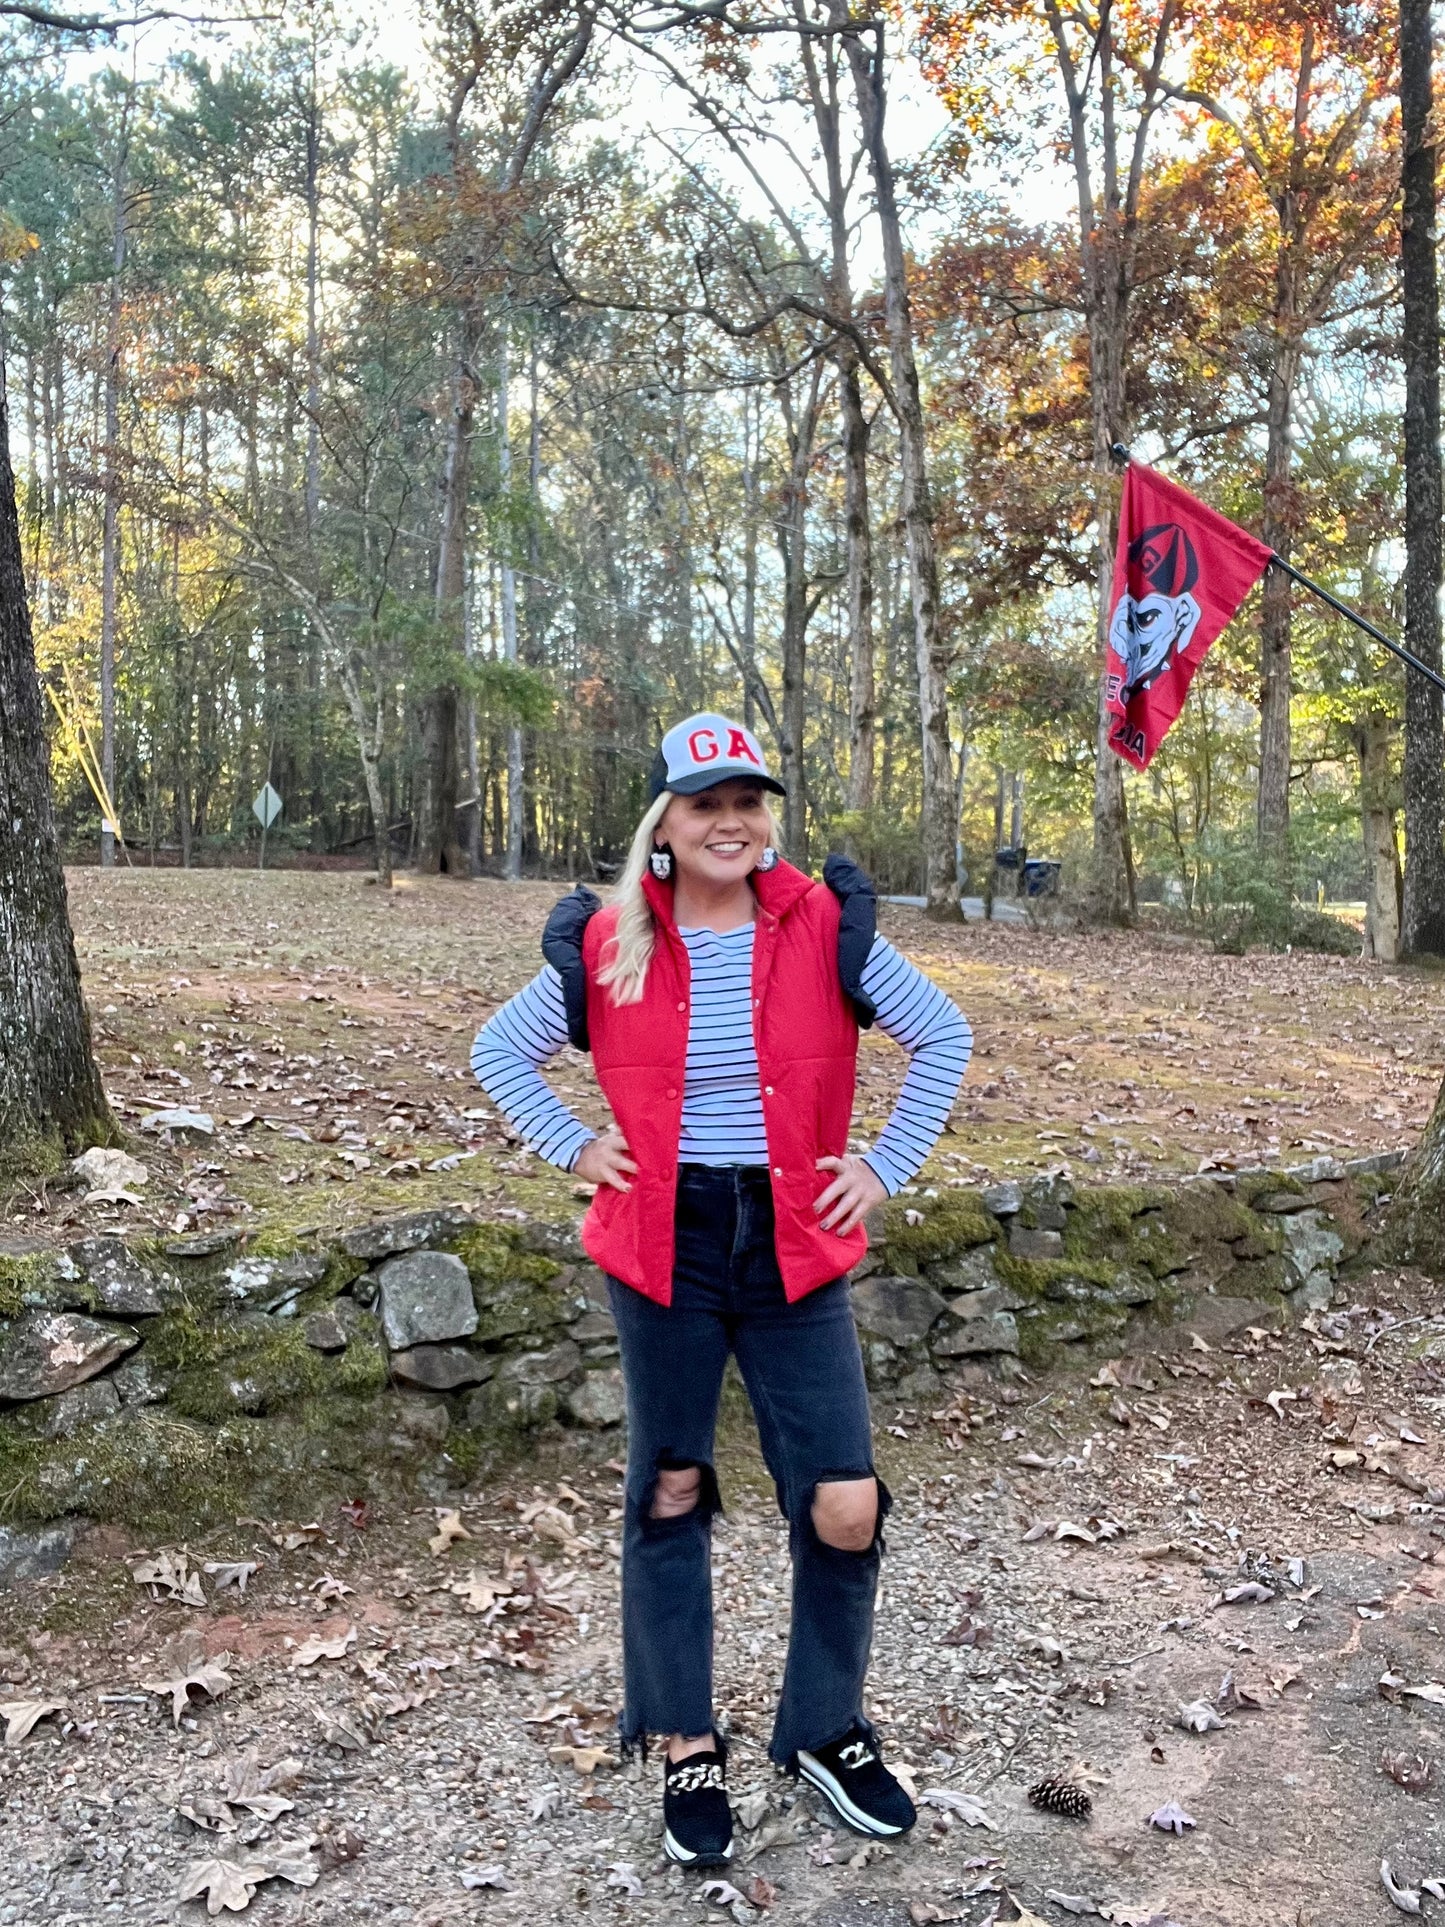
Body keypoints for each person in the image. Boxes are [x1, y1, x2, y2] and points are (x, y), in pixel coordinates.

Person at [470, 712, 972, 1867]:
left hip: (792, 1242)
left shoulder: (823, 927)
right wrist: (569, 1144)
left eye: (747, 800)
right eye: (704, 802)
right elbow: (498, 1053)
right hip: (666, 1242)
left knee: (844, 1498)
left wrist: (880, 1165)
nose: (729, 820)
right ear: (665, 819)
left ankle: (823, 1728)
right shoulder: (604, 942)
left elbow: (940, 1036)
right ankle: (683, 1740)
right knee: (670, 1488)